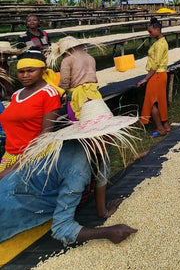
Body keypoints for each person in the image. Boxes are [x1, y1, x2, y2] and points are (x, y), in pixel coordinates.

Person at [0, 98, 138, 246]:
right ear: (86, 137)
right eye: (101, 135)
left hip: (21, 184)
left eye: (109, 133)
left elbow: (102, 172)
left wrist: (102, 212)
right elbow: (61, 228)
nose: (107, 140)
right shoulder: (78, 169)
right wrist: (108, 232)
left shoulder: (101, 143)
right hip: (12, 199)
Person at [0, 50, 61, 177]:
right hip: (11, 153)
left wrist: (16, 166)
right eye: (21, 72)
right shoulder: (17, 94)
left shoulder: (49, 94)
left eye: (30, 70)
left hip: (34, 156)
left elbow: (46, 134)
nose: (25, 75)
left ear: (43, 70)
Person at [47, 36, 102, 121]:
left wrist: (59, 96)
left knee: (78, 121)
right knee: (96, 119)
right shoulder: (90, 57)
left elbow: (65, 81)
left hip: (77, 96)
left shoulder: (67, 60)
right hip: (94, 92)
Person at [136, 18, 170, 137]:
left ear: (157, 30)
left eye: (150, 32)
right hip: (160, 74)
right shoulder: (160, 42)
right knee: (160, 101)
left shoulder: (160, 45)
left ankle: (160, 129)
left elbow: (155, 65)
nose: (149, 34)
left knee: (151, 103)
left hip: (157, 75)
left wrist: (146, 79)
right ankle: (165, 125)